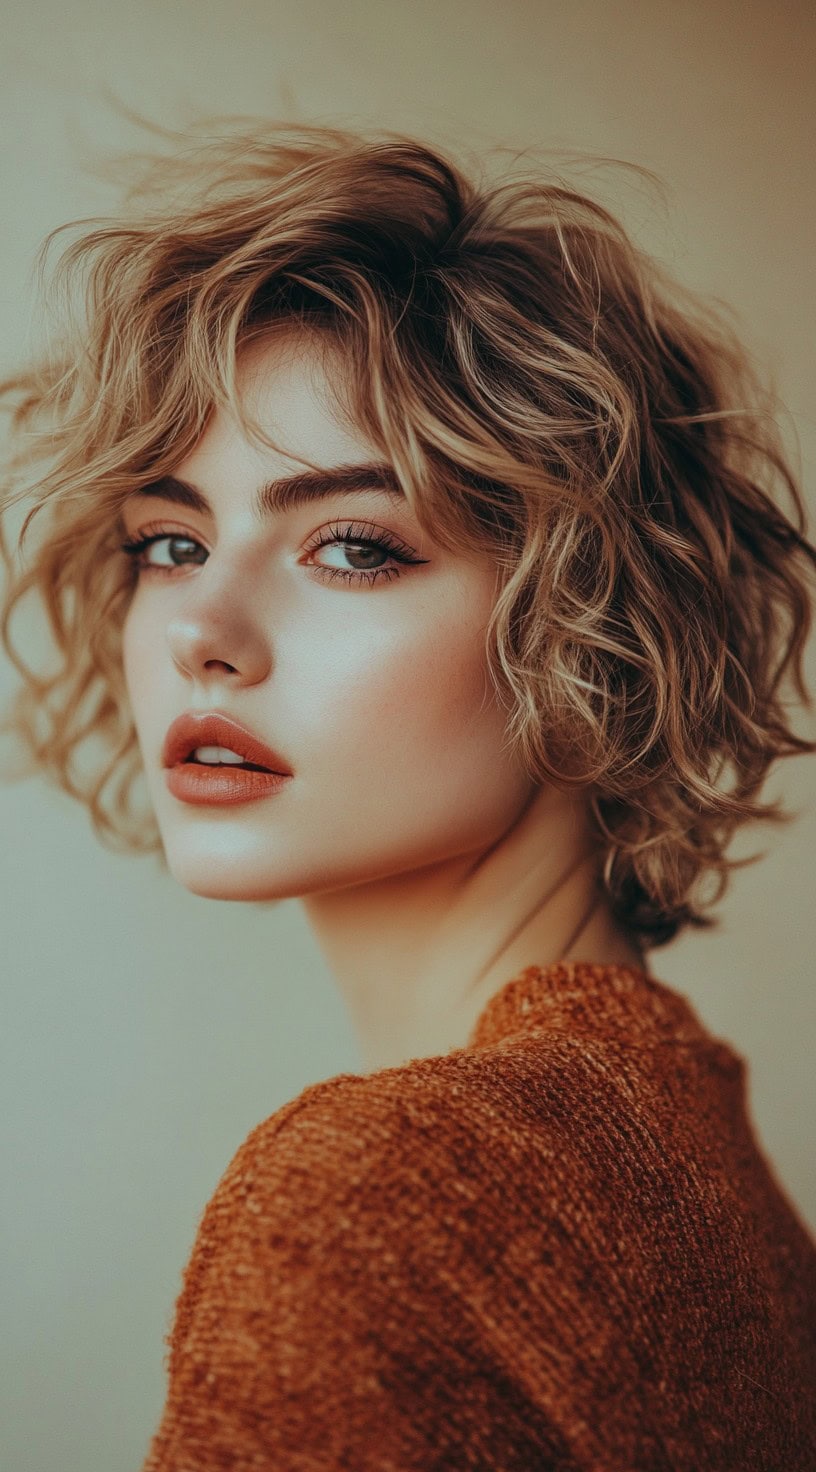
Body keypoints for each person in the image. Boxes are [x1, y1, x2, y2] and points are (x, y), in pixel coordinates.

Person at [2, 121, 815, 1470]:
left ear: (591, 627)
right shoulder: (699, 1175)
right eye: (171, 540)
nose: (204, 625)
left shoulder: (382, 1191)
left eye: (355, 546)